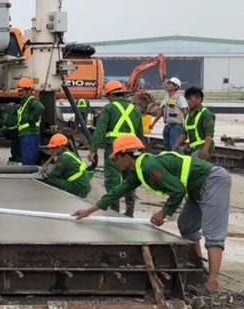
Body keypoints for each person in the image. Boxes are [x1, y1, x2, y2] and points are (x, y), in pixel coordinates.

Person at [73, 135, 231, 295]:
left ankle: (212, 283)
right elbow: (118, 192)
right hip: (197, 188)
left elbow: (178, 191)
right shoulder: (140, 169)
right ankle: (198, 271)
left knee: (213, 234)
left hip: (212, 181)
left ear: (126, 157)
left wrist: (163, 212)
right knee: (186, 225)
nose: (115, 162)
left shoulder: (149, 166)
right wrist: (89, 211)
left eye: (116, 158)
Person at [87, 80, 143, 217]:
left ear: (111, 95)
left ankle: (114, 211)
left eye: (107, 96)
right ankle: (130, 211)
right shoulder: (135, 109)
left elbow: (100, 130)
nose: (108, 99)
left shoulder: (109, 109)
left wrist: (93, 149)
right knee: (130, 180)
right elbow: (140, 133)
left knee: (112, 180)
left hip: (115, 149)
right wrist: (140, 151)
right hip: (132, 151)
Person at [41, 134, 91, 198]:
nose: (51, 150)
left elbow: (55, 174)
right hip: (83, 186)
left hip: (78, 187)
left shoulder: (63, 158)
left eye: (53, 148)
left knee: (51, 180)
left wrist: (44, 175)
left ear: (60, 147)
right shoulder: (70, 153)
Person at [175, 87, 216, 159]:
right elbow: (184, 133)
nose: (188, 101)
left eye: (191, 99)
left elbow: (209, 133)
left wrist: (206, 149)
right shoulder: (188, 115)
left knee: (191, 164)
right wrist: (177, 144)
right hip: (193, 148)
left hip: (203, 147)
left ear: (199, 99)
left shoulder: (206, 114)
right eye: (187, 99)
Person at [151, 78, 187, 151]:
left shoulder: (179, 98)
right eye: (167, 84)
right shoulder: (166, 98)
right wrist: (153, 123)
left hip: (176, 126)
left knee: (175, 146)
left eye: (169, 84)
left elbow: (185, 112)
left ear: (176, 87)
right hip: (167, 125)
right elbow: (161, 111)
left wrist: (187, 125)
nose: (167, 85)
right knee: (167, 146)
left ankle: (180, 160)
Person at [15, 77, 44, 166]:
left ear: (29, 91)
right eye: (19, 91)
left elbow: (41, 108)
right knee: (27, 158)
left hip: (30, 134)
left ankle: (29, 175)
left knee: (29, 159)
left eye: (22, 91)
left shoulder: (32, 101)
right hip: (26, 134)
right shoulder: (25, 102)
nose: (20, 93)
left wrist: (32, 120)